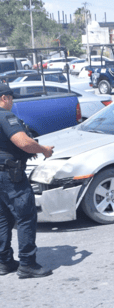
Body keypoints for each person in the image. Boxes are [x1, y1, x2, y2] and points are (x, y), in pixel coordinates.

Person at [0, 83, 54, 278]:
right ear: (5, 98)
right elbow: (23, 142)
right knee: (26, 217)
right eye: (11, 98)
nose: (12, 102)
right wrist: (44, 150)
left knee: (3, 218)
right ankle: (27, 264)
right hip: (10, 176)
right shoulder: (5, 115)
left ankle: (4, 262)